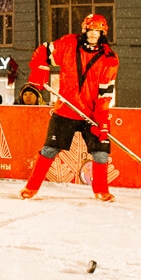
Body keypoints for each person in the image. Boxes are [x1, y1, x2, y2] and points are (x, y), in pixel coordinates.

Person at [20, 14, 118, 202]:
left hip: (92, 114)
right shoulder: (69, 44)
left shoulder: (109, 58)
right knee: (49, 150)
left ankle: (101, 191)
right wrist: (40, 70)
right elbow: (43, 51)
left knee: (101, 153)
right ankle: (31, 187)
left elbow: (105, 93)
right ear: (84, 30)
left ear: (103, 33)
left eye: (97, 31)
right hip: (66, 109)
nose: (93, 34)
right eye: (90, 30)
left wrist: (102, 120)